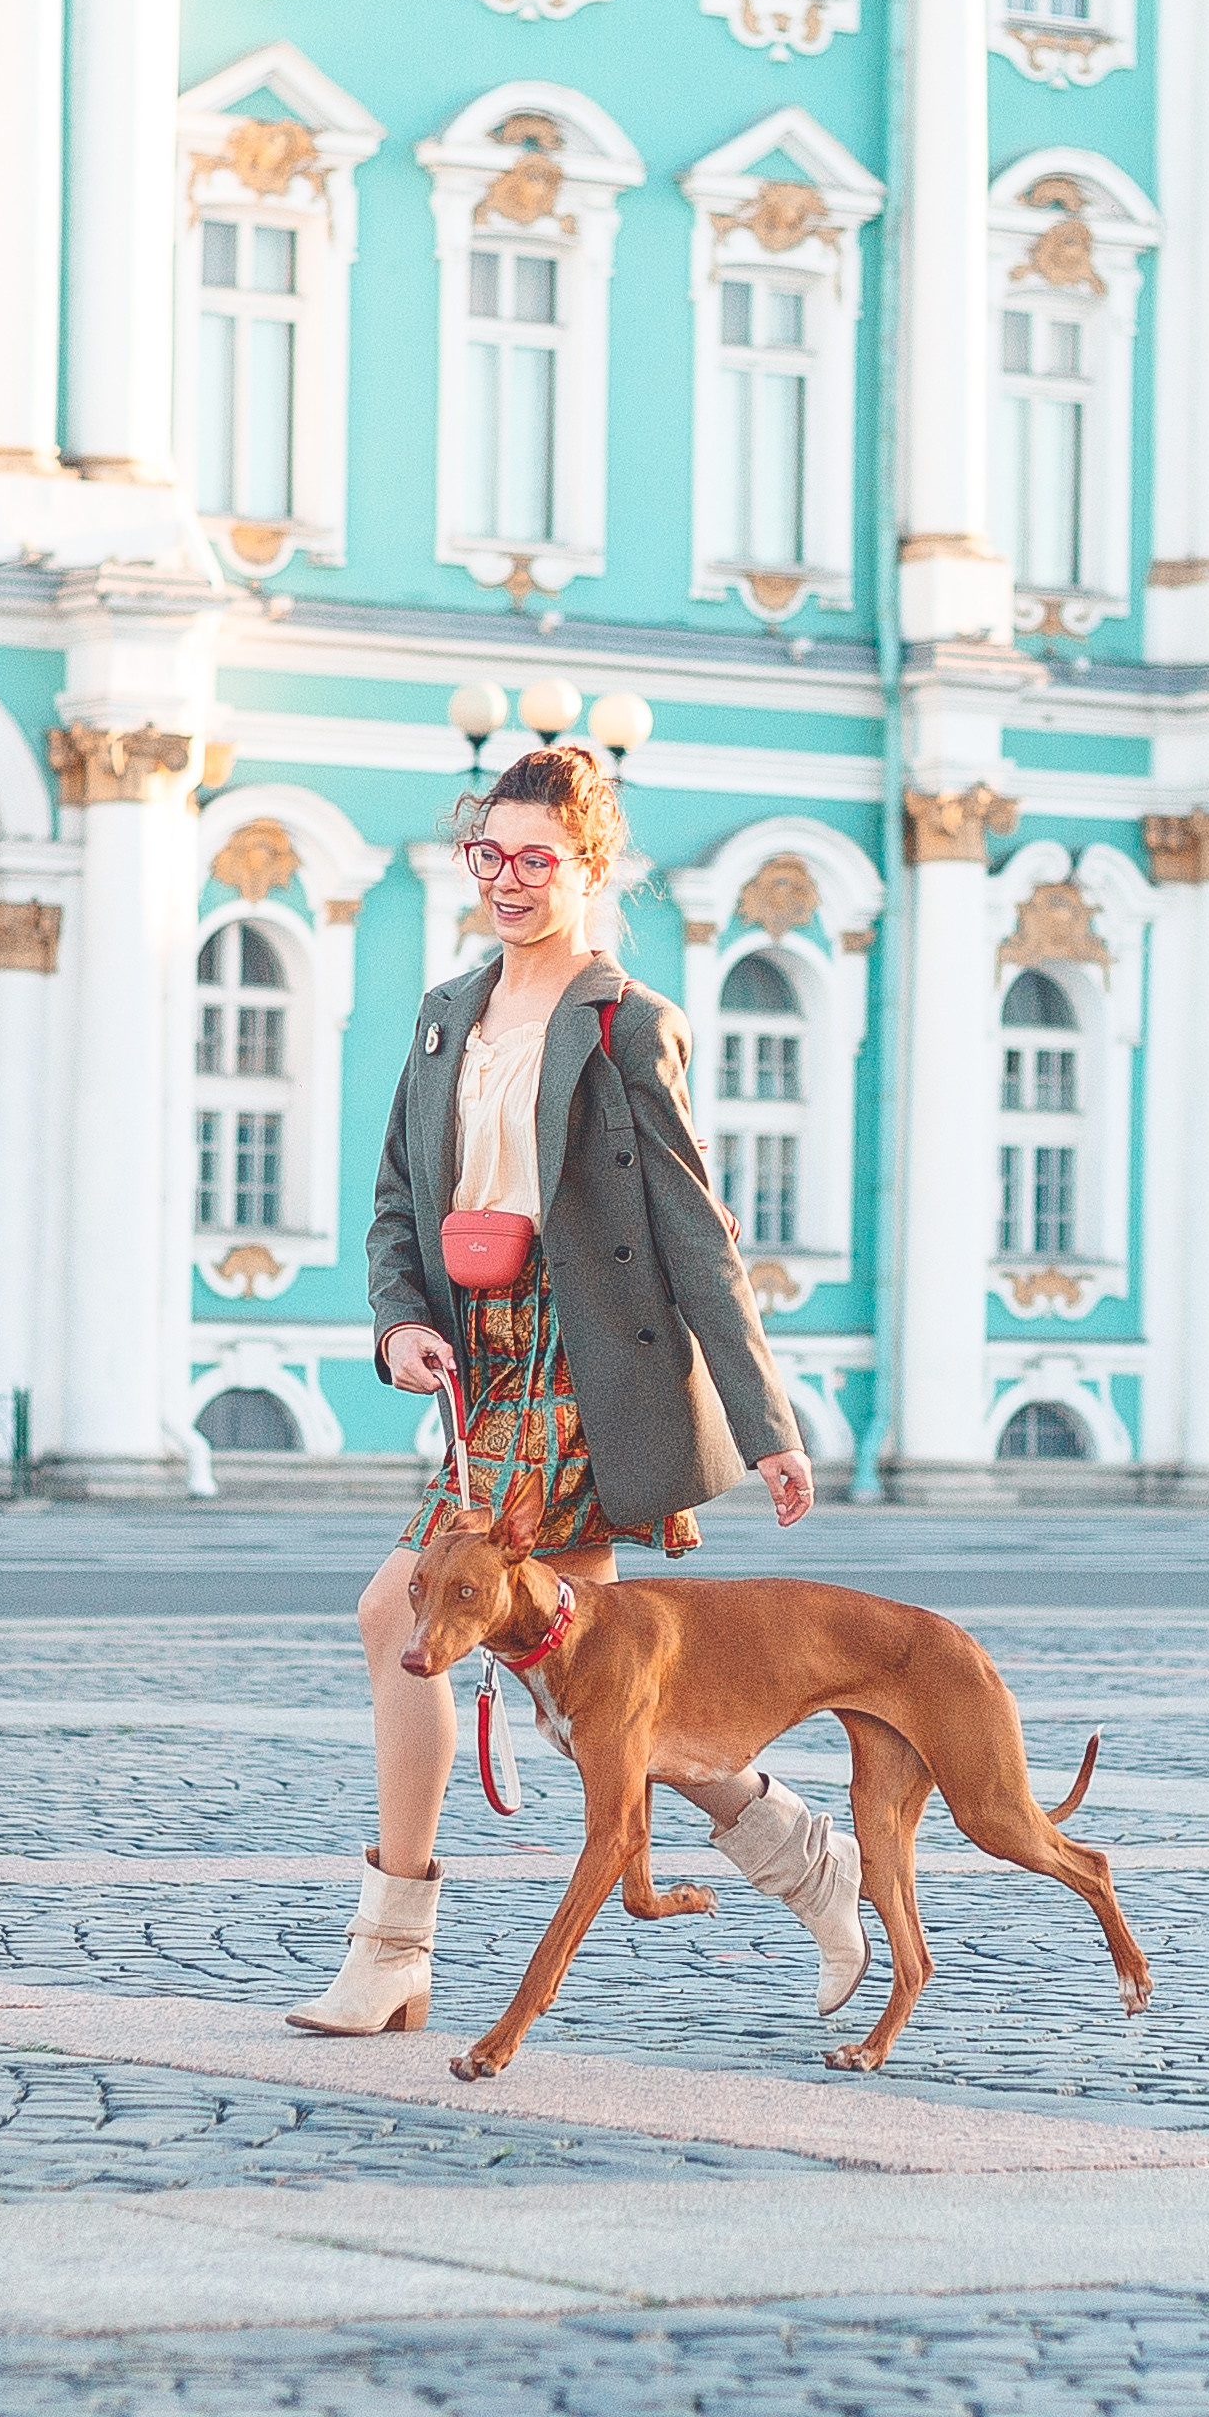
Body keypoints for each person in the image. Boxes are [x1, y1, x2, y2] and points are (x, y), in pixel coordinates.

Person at [287, 741, 867, 2038]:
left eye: (533, 859)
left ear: (590, 867)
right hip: (471, 1361)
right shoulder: (447, 1012)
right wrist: (396, 1329)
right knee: (598, 1701)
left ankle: (391, 1945)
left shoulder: (624, 1024)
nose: (505, 879)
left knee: (398, 1611)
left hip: (579, 1373)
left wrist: (767, 1429)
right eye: (487, 855)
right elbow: (396, 1200)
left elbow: (694, 1234)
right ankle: (803, 1858)